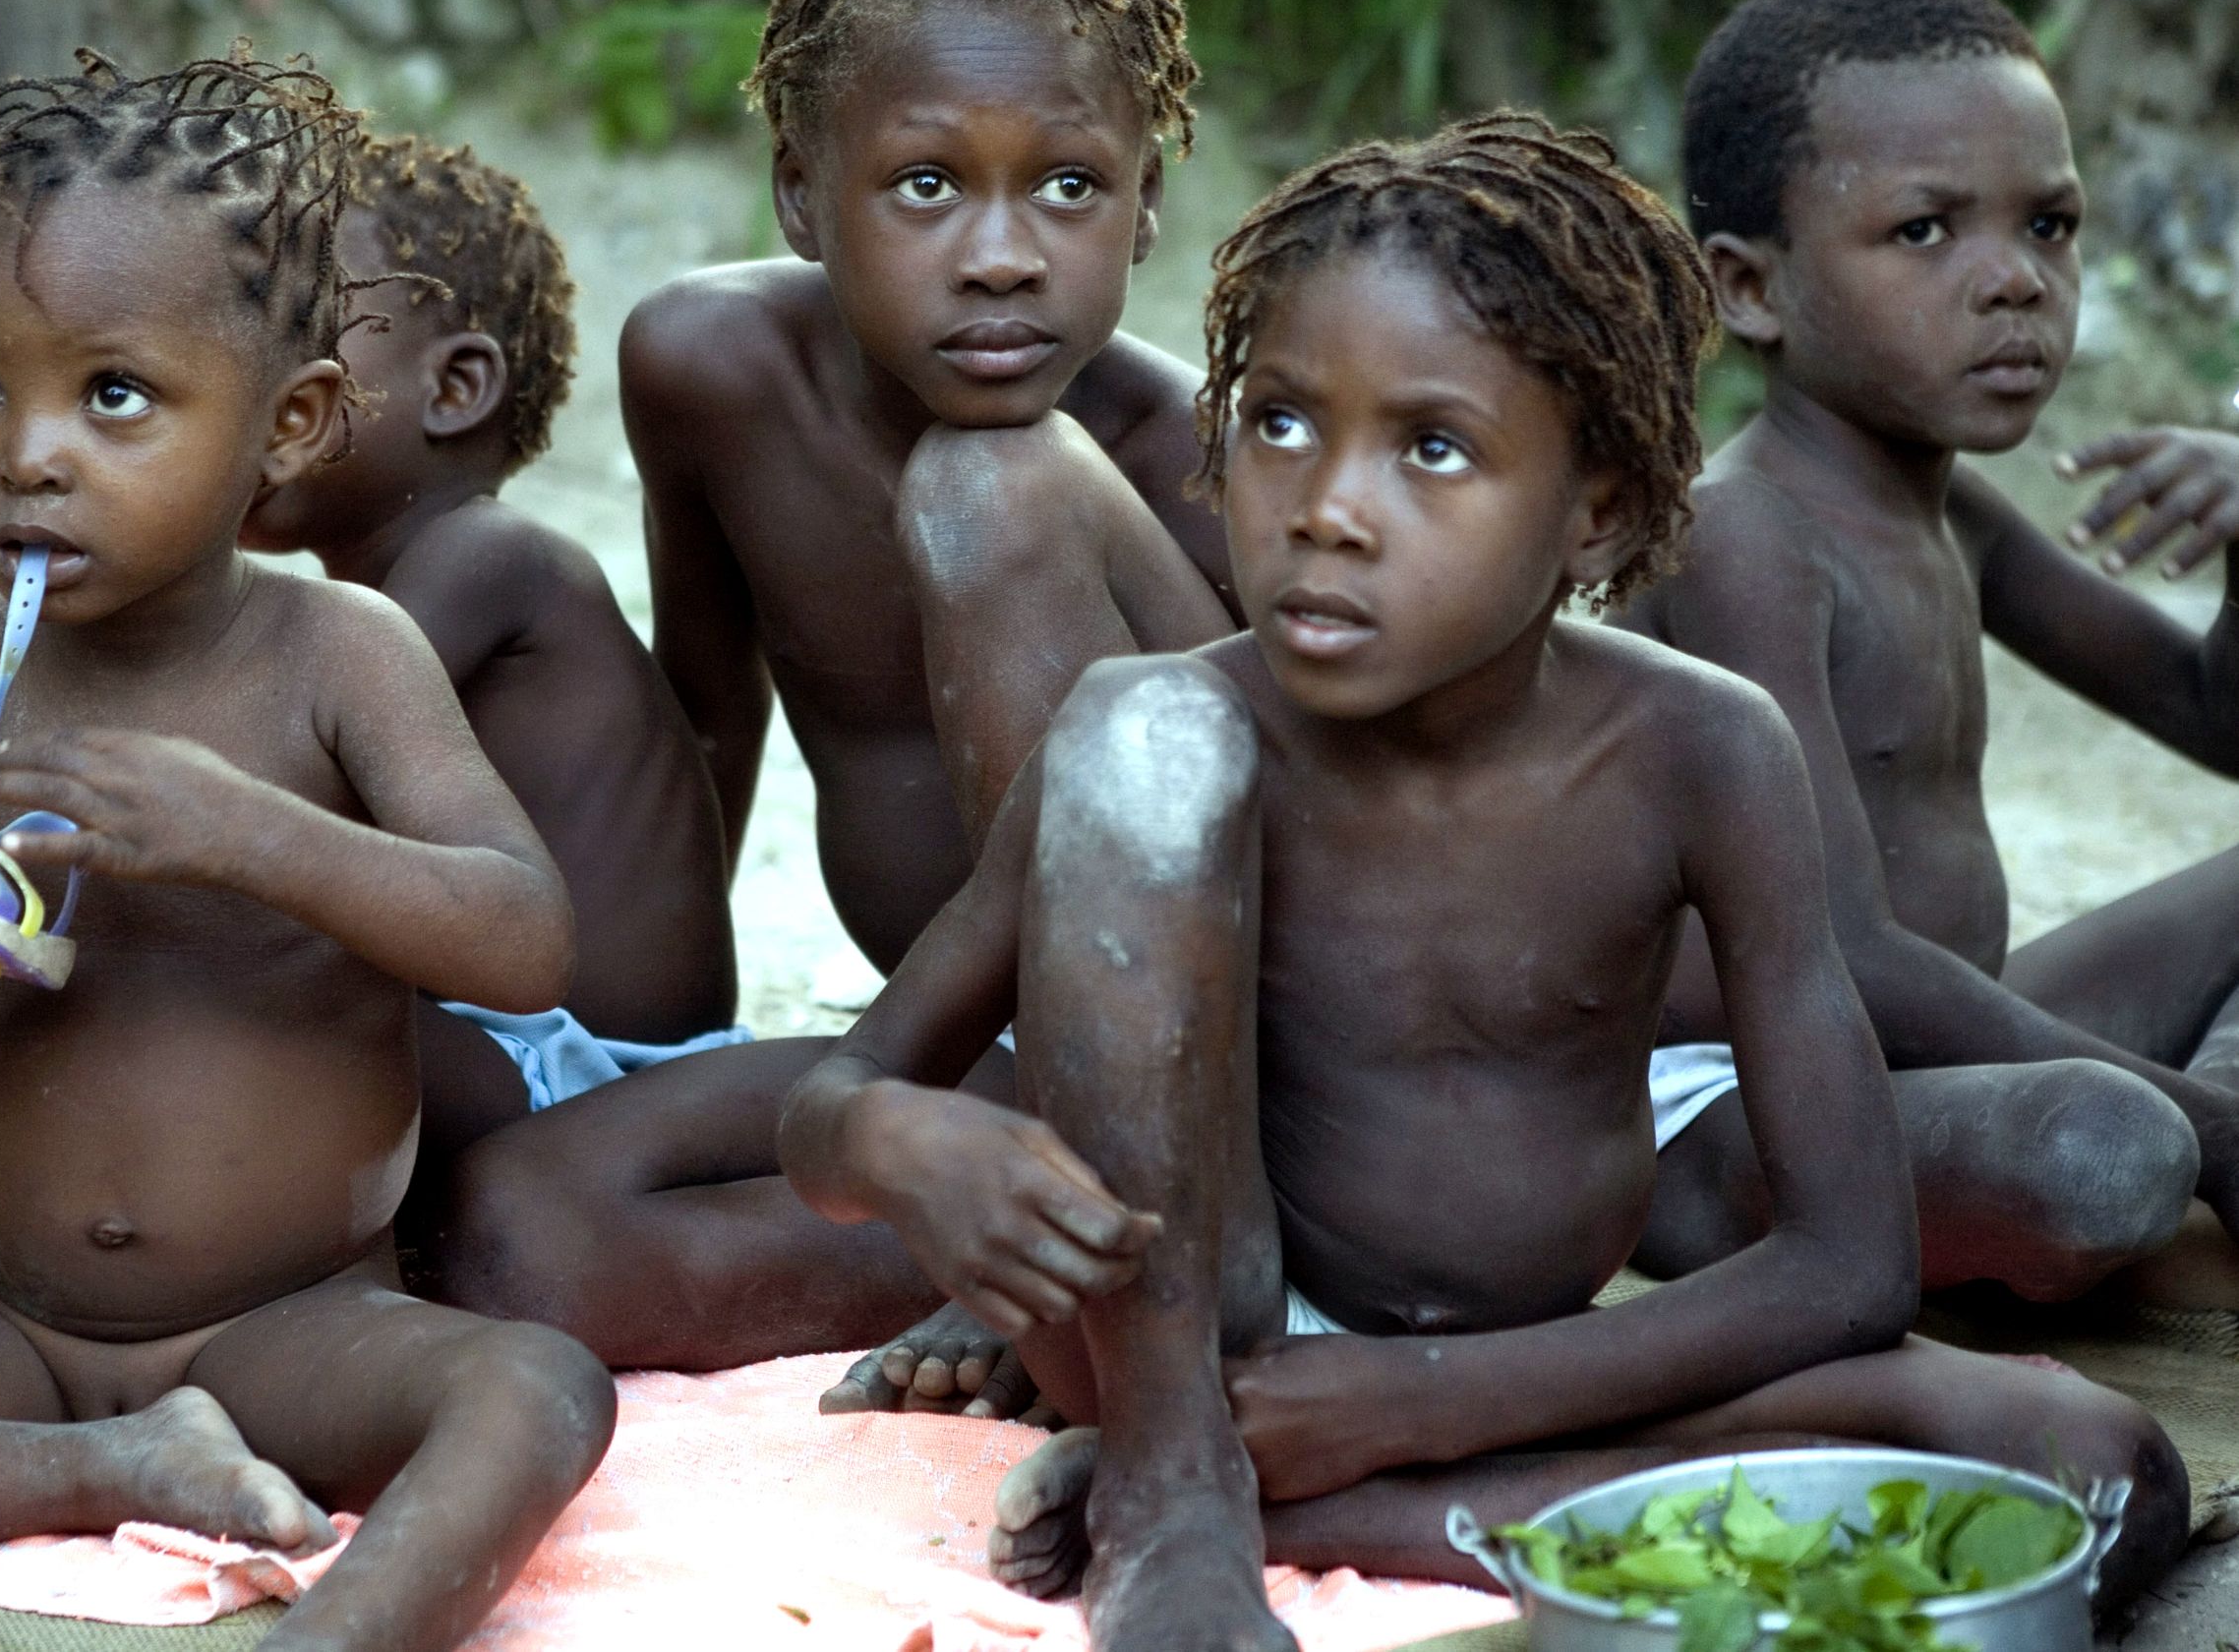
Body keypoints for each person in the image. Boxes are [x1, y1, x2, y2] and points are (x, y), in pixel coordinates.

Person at [777, 116, 2187, 1652]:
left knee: (2102, 1469)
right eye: (1282, 423)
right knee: (1142, 729)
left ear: (1594, 509)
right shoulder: (1185, 717)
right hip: (1193, 1322)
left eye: (1431, 447)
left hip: (1526, 1353)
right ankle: (1175, 1492)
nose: (1327, 506)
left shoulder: (1701, 748)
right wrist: (895, 1137)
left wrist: (1415, 1403)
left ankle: (1319, 1497)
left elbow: (1851, 1262)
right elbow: (834, 1101)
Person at [0, 51, 614, 1652]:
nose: (27, 452)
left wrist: (249, 835)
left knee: (537, 1387)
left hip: (289, 1325)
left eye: (113, 395)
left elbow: (522, 935)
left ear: (286, 424)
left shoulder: (340, 654)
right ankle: (103, 1474)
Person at [1620, 0, 2239, 1304]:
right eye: (1924, 232)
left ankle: (2177, 1169)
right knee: (2104, 1147)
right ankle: (2181, 1175)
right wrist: (2207, 1125)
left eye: (2051, 225)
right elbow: (1837, 954)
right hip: (1744, 1106)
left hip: (1943, 1054)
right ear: (1749, 288)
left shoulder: (1951, 514)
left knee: (2129, 1119)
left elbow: (2218, 714)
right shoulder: (1744, 536)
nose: (2014, 281)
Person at [624, 0, 1234, 980]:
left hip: (1176, 1027)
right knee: (543, 1164)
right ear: (801, 197)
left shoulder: (1204, 464)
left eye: (1067, 184)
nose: (1000, 255)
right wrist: (661, 1032)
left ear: (1143, 202)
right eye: (924, 183)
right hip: (944, 1046)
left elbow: (1344, 824)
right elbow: (706, 715)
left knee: (1000, 475)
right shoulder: (714, 379)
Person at [242, 133, 742, 1159]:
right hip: (516, 1050)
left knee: (221, 1031)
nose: (233, 373)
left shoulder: (491, 562)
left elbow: (265, 771)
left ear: (454, 387)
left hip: (579, 1070)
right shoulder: (381, 588)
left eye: (286, 325)